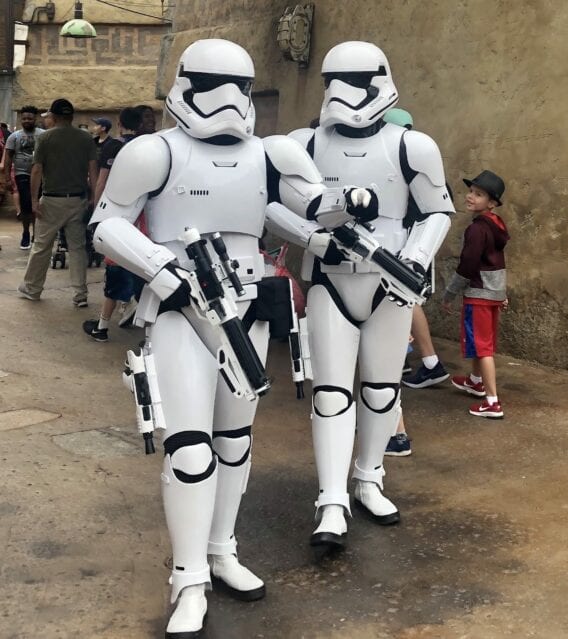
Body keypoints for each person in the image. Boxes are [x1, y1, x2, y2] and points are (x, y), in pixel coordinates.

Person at [90, 39, 373, 637]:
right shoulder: (154, 151)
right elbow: (106, 223)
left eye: (236, 87)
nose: (225, 101)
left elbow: (313, 203)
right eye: (210, 84)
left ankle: (222, 550)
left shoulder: (271, 154)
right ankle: (188, 576)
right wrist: (162, 270)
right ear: (186, 85)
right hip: (183, 309)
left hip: (248, 307)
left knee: (235, 442)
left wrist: (351, 201)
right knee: (189, 447)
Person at [267, 41, 454, 550]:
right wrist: (314, 238)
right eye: (335, 79)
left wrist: (414, 258)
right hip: (331, 276)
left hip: (389, 280)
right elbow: (273, 205)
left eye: (355, 79)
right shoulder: (302, 143)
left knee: (380, 389)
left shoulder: (410, 145)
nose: (344, 93)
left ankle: (369, 478)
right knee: (331, 391)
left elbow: (436, 210)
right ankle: (331, 498)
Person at [383, 108, 452, 390]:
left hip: (407, 246)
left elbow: (438, 207)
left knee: (404, 301)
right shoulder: (411, 157)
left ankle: (431, 362)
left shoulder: (405, 159)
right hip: (408, 242)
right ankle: (405, 360)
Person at [442, 170, 511, 419]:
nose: (470, 196)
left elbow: (468, 264)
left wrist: (450, 293)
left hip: (478, 295)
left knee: (483, 348)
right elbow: (497, 262)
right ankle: (474, 381)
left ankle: (492, 402)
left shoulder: (476, 230)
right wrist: (501, 294)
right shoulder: (496, 225)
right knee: (480, 341)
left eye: (478, 194)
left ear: (491, 203)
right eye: (471, 191)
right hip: (491, 294)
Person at [16, 99, 97, 306]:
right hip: (78, 199)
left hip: (52, 200)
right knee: (77, 248)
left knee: (42, 246)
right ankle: (80, 294)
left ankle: (32, 288)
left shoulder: (46, 138)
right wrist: (93, 197)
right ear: (70, 117)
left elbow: (36, 170)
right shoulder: (86, 138)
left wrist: (34, 200)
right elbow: (93, 170)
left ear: (55, 116)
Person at [82, 107, 145, 342]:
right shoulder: (147, 145)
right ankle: (131, 301)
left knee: (115, 265)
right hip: (142, 214)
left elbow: (101, 180)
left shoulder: (113, 146)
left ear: (119, 123)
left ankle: (102, 326)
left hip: (117, 211)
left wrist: (97, 210)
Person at [1, 106, 43, 250]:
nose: (26, 121)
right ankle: (25, 232)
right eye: (24, 118)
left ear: (35, 119)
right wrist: (7, 178)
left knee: (37, 205)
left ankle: (36, 235)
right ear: (21, 119)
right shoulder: (14, 137)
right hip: (22, 174)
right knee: (26, 205)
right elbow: (8, 158)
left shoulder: (43, 135)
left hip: (40, 175)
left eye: (29, 118)